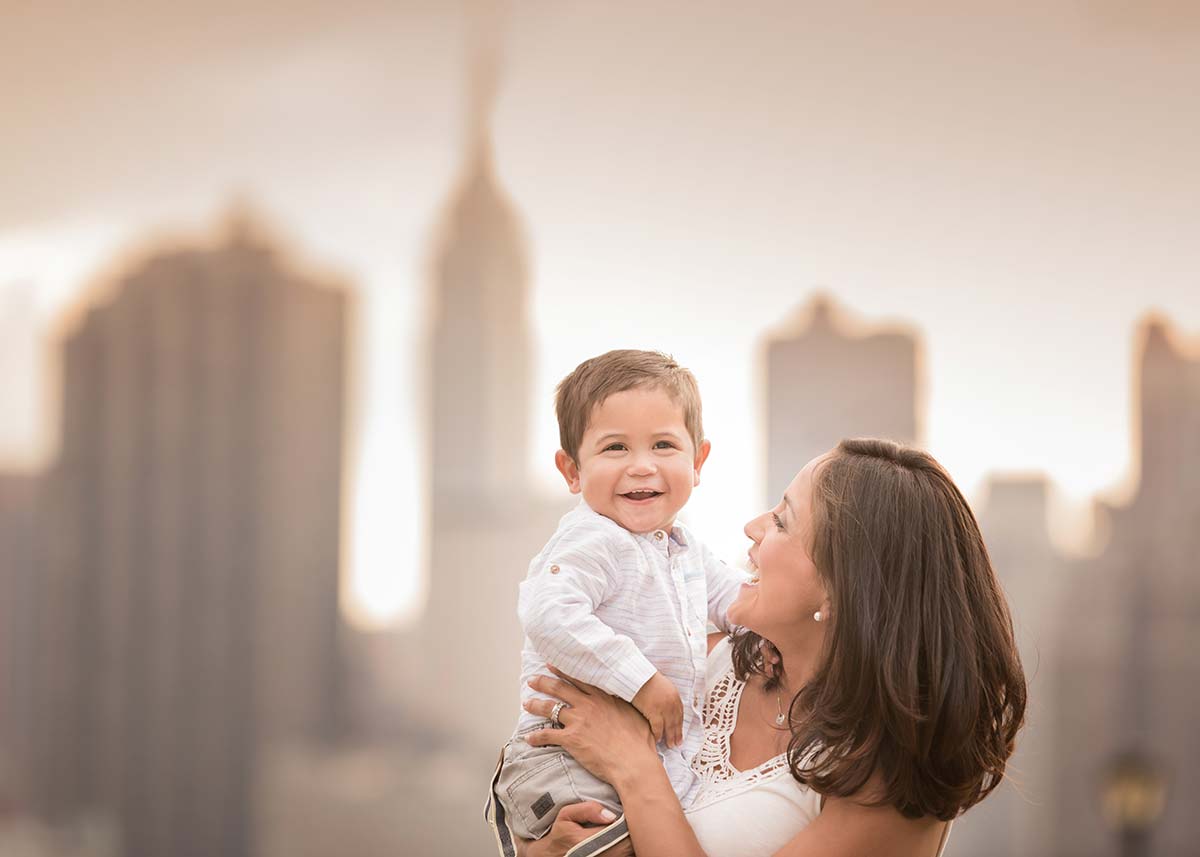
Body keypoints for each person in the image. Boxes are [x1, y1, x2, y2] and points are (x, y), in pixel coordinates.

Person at [518, 438, 1027, 857]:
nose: (753, 528)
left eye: (782, 521)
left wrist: (634, 765)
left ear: (840, 585)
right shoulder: (694, 662)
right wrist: (546, 849)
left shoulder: (894, 783)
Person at [486, 350, 746, 857]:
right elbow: (549, 615)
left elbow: (736, 602)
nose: (641, 465)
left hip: (631, 753)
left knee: (664, 831)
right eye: (616, 448)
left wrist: (778, 633)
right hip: (563, 749)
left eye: (664, 444)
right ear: (572, 471)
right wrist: (643, 682)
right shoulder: (593, 539)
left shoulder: (686, 550)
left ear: (698, 462)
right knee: (618, 844)